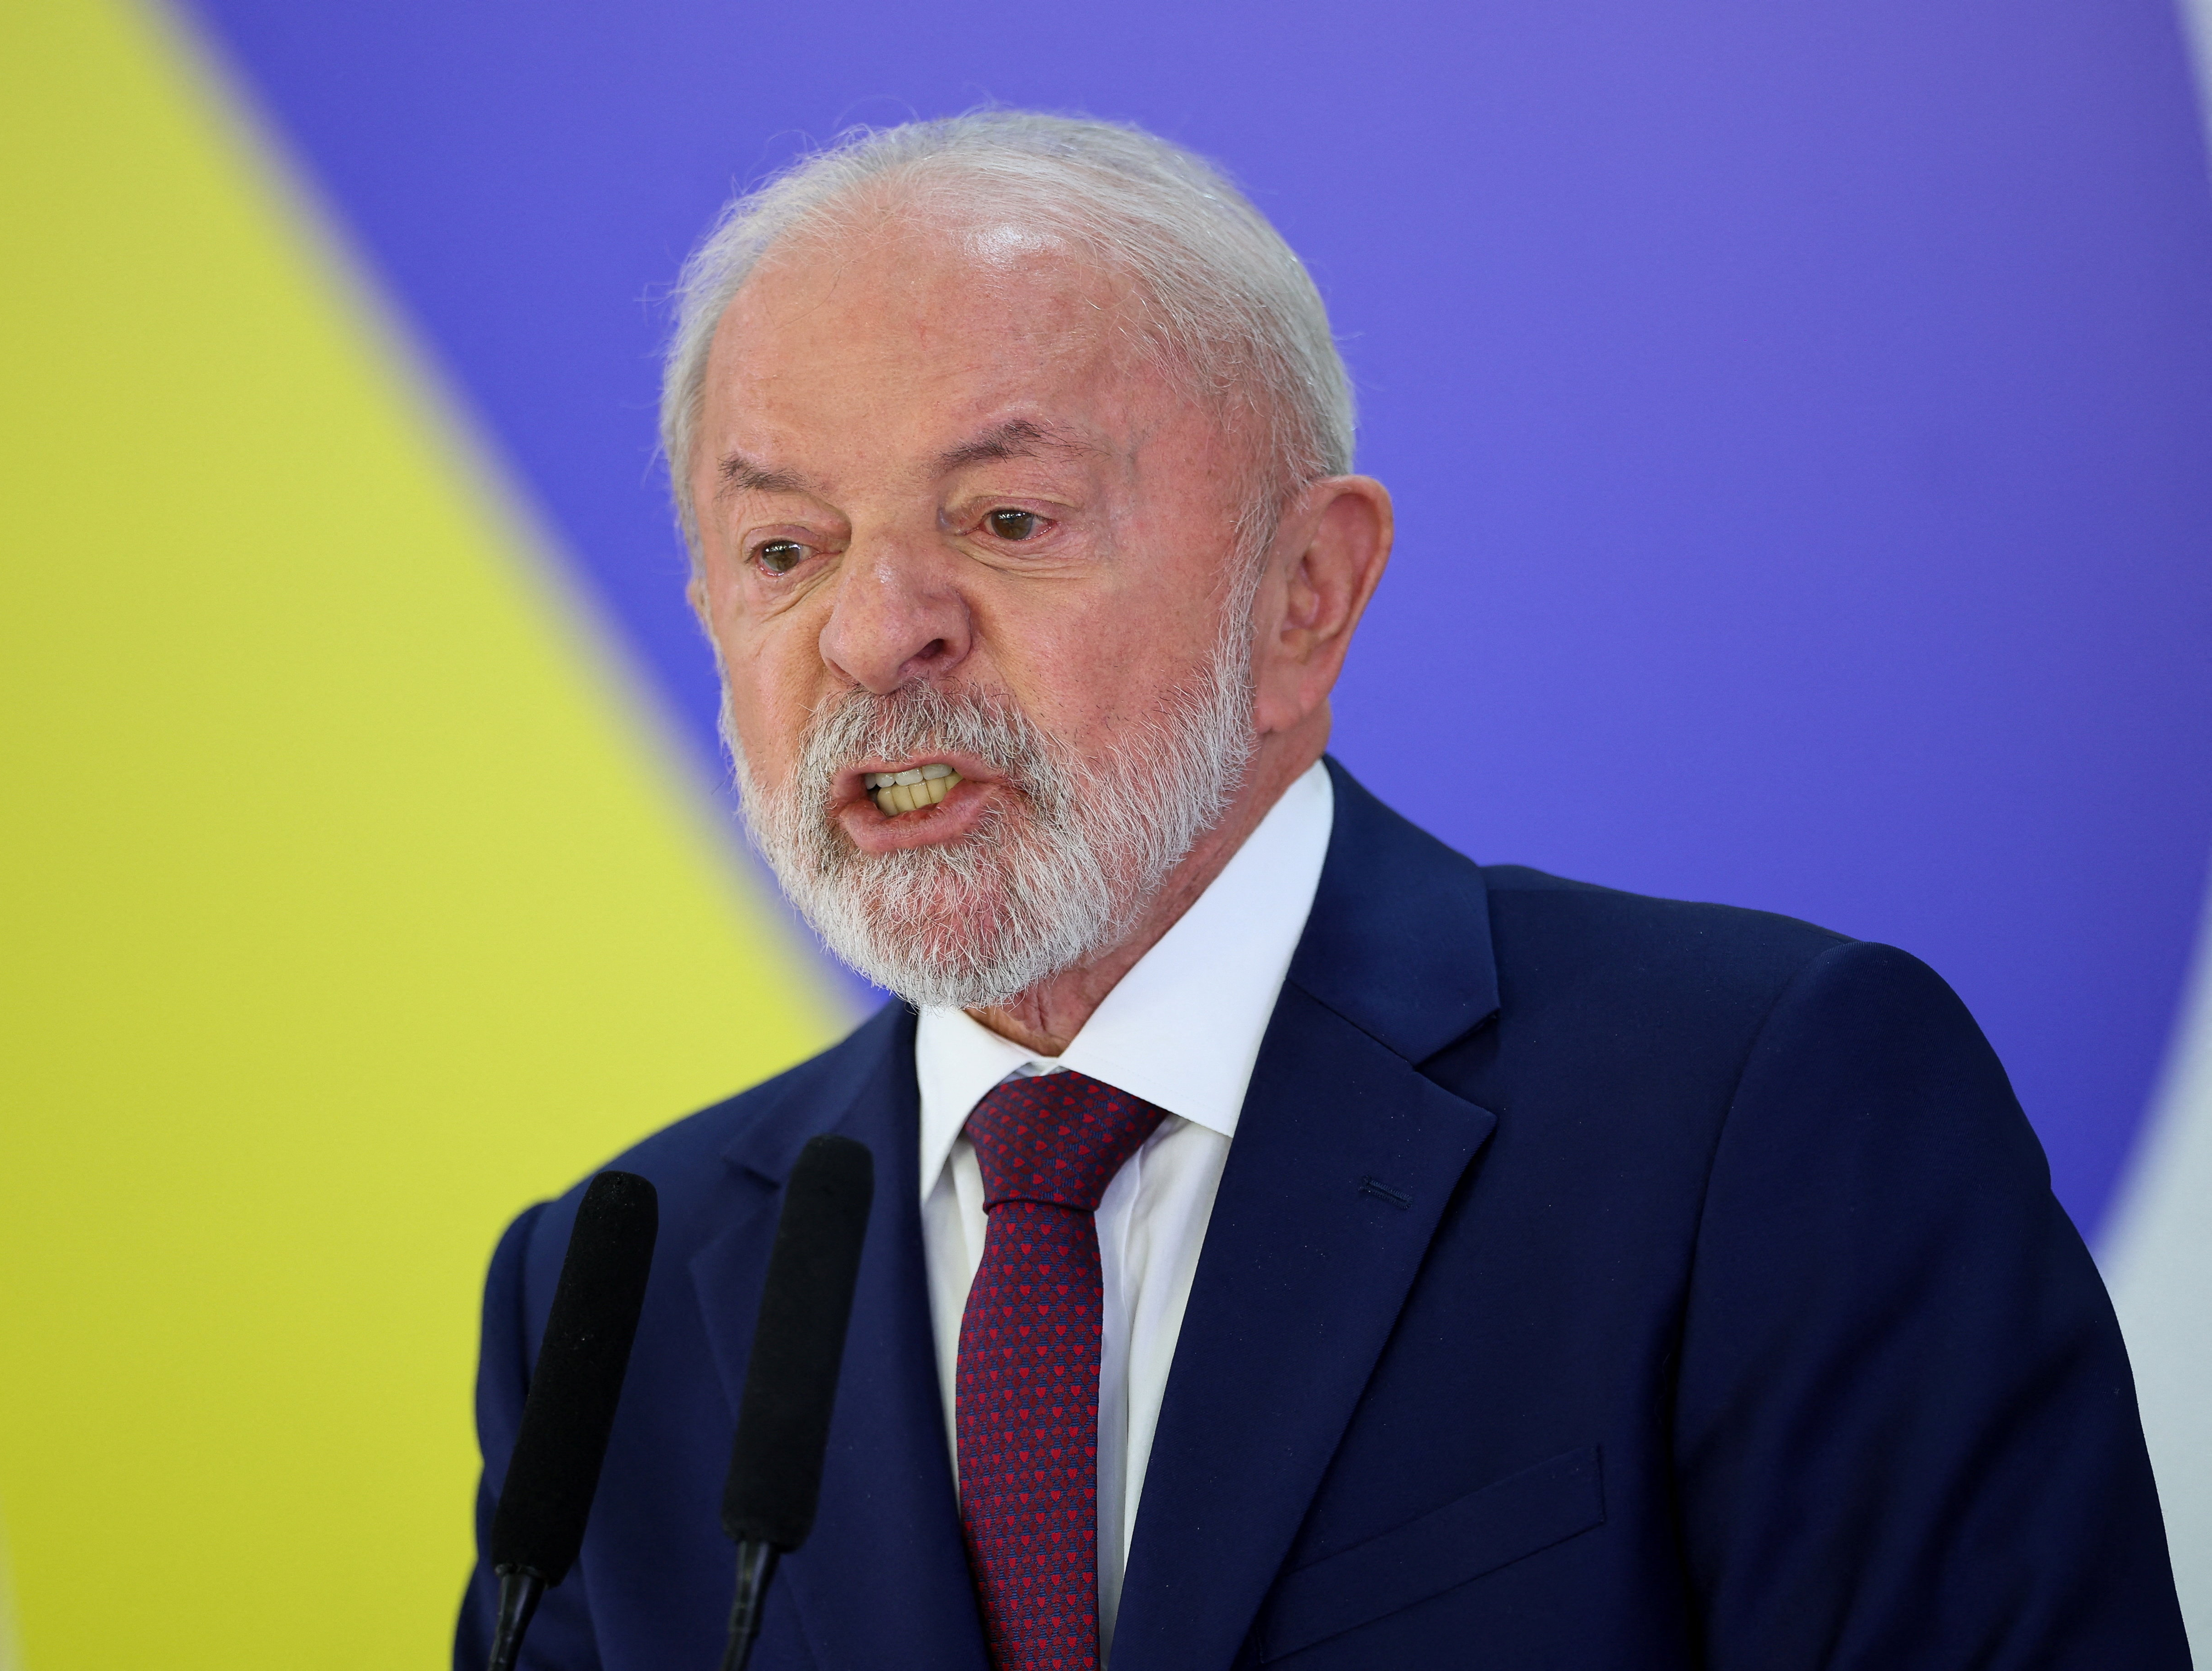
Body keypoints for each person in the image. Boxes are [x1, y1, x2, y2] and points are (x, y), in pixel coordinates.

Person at [455, 112, 2188, 1670]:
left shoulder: (1759, 1119)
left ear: (1304, 590)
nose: (872, 628)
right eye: (784, 549)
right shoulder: (617, 1290)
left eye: (1004, 520)